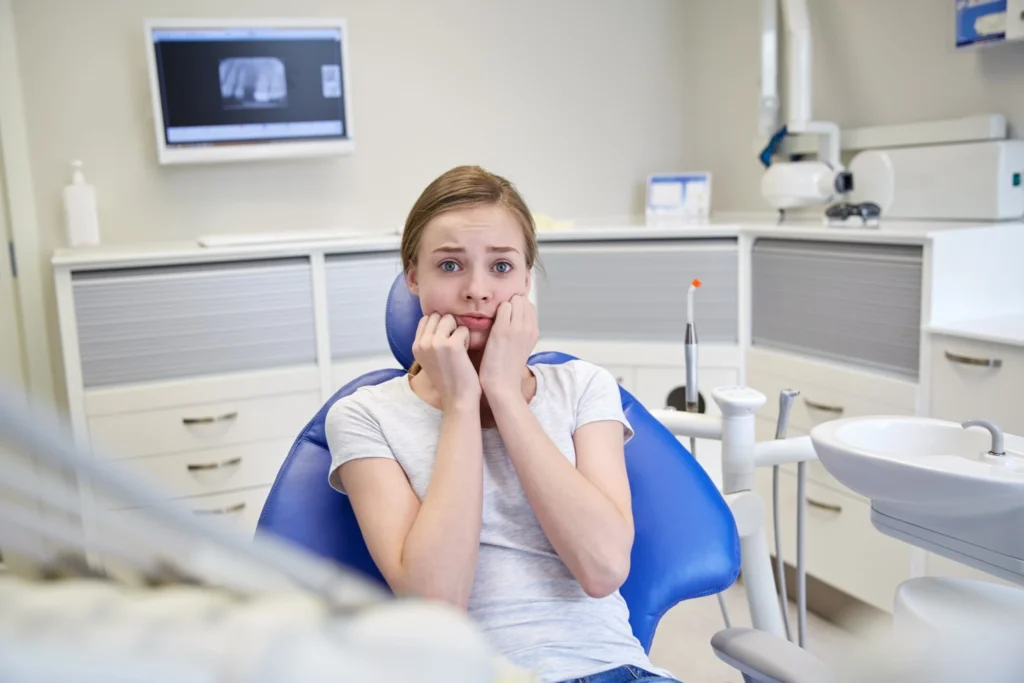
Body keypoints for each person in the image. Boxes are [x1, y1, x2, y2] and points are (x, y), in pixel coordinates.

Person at [325, 165, 682, 683]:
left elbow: (603, 569)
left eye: (501, 266)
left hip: (617, 670)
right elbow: (436, 605)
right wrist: (461, 405)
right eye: (449, 265)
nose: (476, 290)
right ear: (412, 275)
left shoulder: (583, 386)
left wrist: (503, 393)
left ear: (526, 278)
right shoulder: (363, 416)